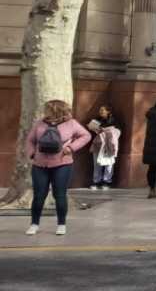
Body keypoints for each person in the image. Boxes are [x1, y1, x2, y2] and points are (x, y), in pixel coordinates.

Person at [24, 100, 91, 236]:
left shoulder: (71, 123)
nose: (45, 111)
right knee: (38, 196)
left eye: (47, 109)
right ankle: (34, 224)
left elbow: (86, 135)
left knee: (59, 195)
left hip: (62, 164)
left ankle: (61, 224)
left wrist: (71, 148)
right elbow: (30, 140)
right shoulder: (40, 123)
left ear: (56, 110)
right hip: (39, 165)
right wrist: (31, 153)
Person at [87, 105, 120, 190]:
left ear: (108, 111)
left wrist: (108, 131)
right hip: (98, 143)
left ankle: (107, 181)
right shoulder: (97, 119)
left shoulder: (114, 120)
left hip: (109, 144)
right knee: (97, 163)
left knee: (109, 163)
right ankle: (96, 181)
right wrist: (94, 129)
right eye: (100, 110)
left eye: (102, 110)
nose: (100, 112)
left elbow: (118, 132)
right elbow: (92, 129)